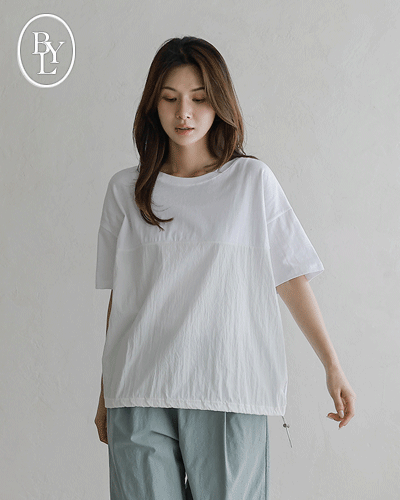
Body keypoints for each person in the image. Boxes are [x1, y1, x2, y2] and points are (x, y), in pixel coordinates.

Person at [94, 36, 356, 500]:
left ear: (220, 102)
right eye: (170, 98)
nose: (184, 113)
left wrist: (332, 366)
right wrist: (105, 393)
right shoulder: (125, 191)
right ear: (153, 104)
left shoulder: (251, 182)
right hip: (138, 391)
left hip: (228, 386)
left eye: (199, 98)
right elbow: (124, 297)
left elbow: (290, 276)